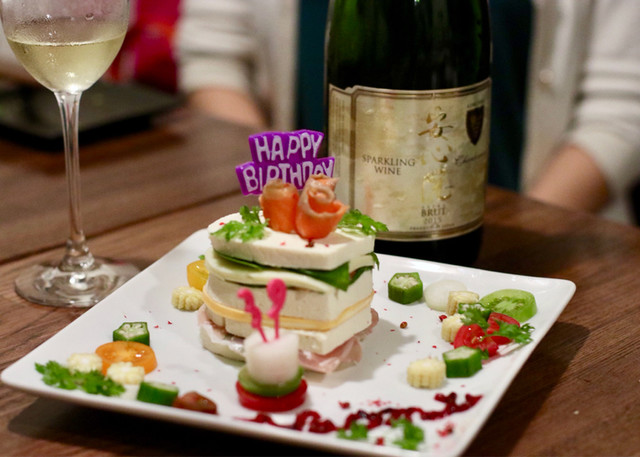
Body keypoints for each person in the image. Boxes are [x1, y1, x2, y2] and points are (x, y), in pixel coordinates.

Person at [176, 0, 640, 225]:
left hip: (521, 236)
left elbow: (621, 107)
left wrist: (515, 246)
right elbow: (215, 57)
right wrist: (287, 214)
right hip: (318, 235)